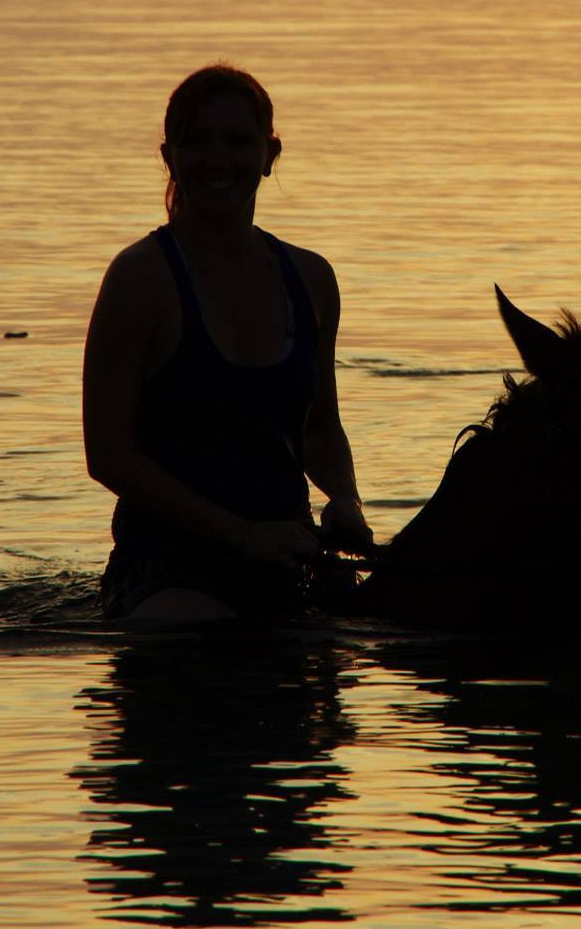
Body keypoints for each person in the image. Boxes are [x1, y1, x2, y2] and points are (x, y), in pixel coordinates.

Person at [84, 65, 372, 622]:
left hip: (288, 553)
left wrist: (345, 500)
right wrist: (241, 536)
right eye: (197, 142)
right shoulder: (140, 278)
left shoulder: (311, 279)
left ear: (270, 154)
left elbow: (318, 427)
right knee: (197, 632)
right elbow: (109, 456)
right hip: (169, 565)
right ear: (169, 158)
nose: (218, 159)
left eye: (239, 141)